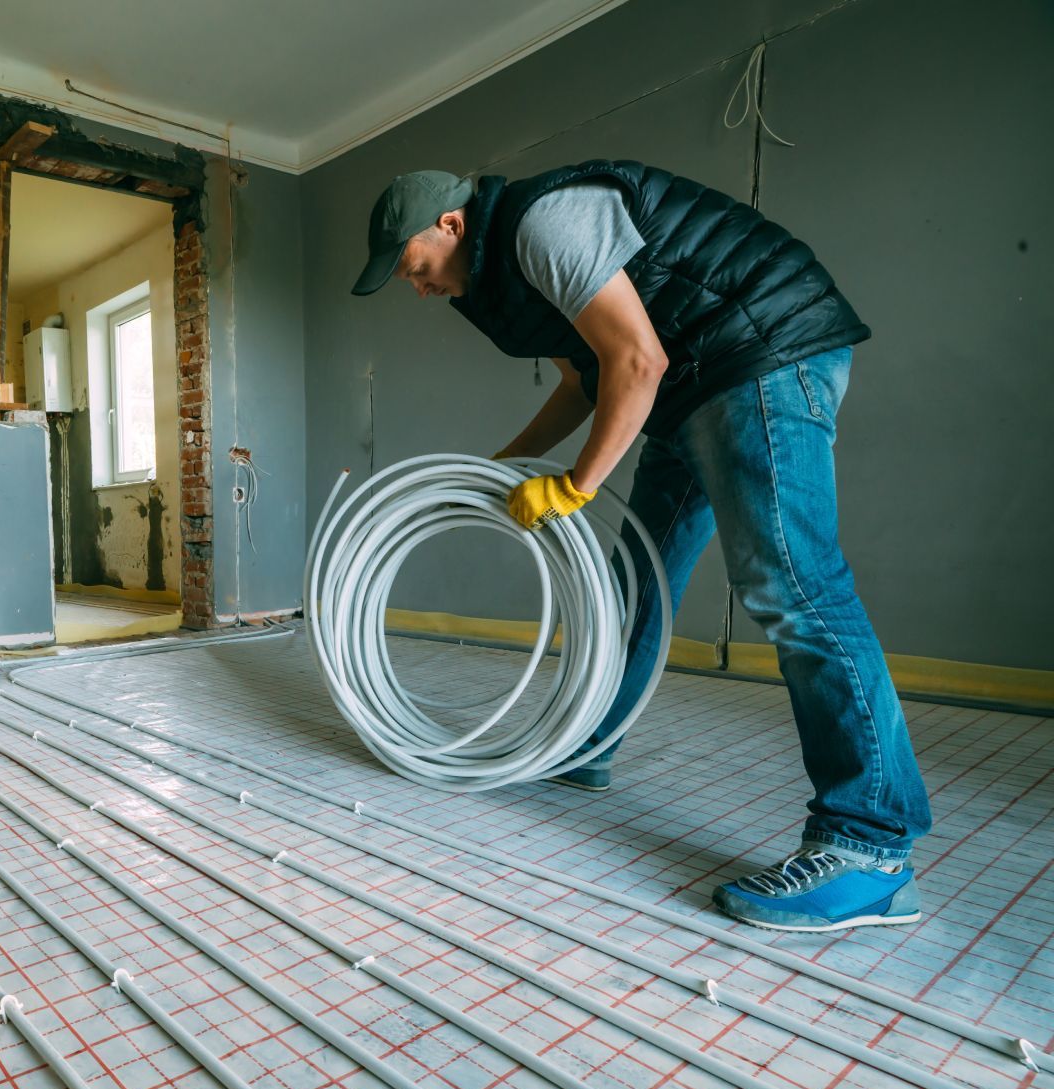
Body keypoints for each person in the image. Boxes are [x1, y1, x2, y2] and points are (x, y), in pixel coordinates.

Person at [351, 163, 931, 933]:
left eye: (415, 270)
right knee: (634, 583)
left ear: (451, 227)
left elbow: (637, 362)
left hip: (758, 349)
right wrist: (503, 470)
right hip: (695, 381)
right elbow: (587, 384)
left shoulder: (543, 226)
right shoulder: (499, 285)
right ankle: (585, 742)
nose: (418, 291)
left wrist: (574, 485)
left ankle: (871, 847)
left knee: (791, 586)